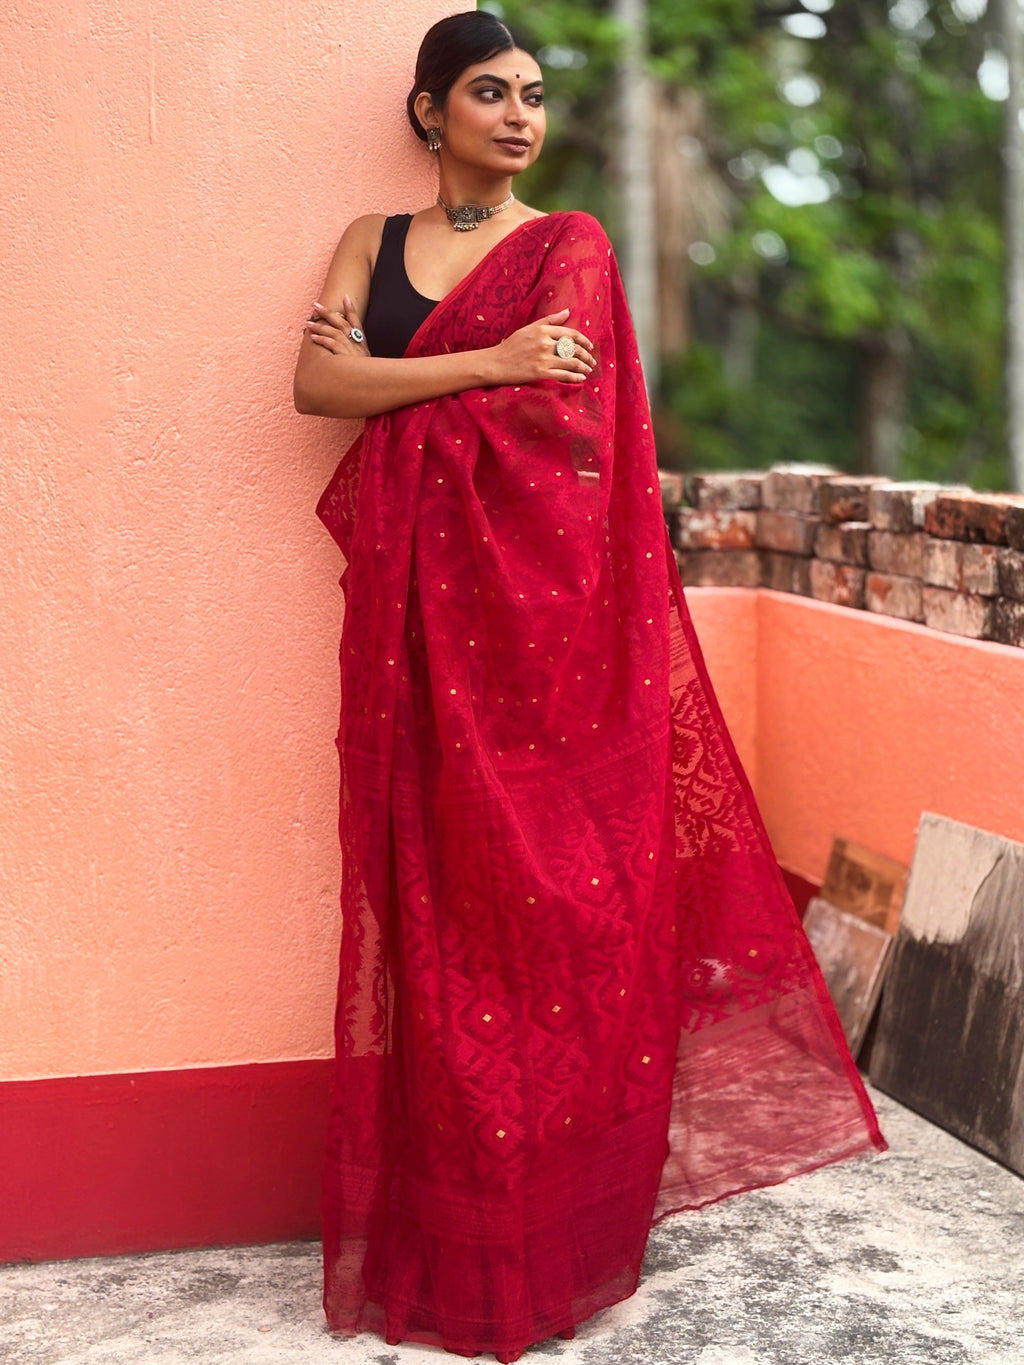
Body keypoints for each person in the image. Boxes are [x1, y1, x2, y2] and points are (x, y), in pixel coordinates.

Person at [294, 12, 885, 1363]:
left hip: (540, 650)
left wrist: (425, 385)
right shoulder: (368, 247)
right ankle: (453, 1241)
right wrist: (484, 364)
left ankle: (565, 1230)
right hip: (410, 647)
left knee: (549, 929)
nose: (518, 115)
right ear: (428, 109)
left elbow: (565, 432)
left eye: (535, 96)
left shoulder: (570, 248)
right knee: (433, 920)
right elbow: (315, 382)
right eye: (488, 93)